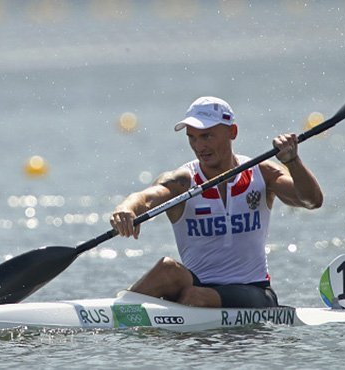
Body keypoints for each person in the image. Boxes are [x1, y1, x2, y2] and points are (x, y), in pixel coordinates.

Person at [110, 96, 323, 308]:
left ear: (232, 132)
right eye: (192, 137)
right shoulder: (183, 181)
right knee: (168, 269)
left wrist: (292, 161)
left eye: (207, 136)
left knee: (196, 297)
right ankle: (117, 311)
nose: (199, 146)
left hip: (253, 290)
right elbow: (146, 198)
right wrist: (126, 209)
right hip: (198, 285)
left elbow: (312, 200)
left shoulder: (262, 174)